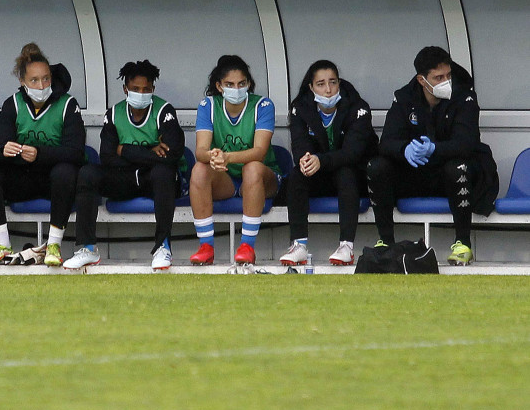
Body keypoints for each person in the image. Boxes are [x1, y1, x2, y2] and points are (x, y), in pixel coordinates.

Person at [366, 46, 498, 265]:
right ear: (421, 80)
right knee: (377, 166)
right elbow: (386, 143)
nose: (446, 81)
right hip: (415, 174)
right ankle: (386, 242)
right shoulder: (403, 98)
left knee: (457, 167)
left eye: (448, 75)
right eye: (438, 77)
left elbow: (467, 143)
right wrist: (404, 150)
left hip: (450, 175)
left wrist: (435, 148)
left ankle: (462, 243)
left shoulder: (464, 97)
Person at [64, 60, 186, 270]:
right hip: (125, 178)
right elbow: (108, 157)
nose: (141, 93)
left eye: (146, 89)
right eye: (135, 89)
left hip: (156, 179)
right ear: (125, 89)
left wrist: (125, 150)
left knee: (163, 172)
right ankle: (89, 248)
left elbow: (172, 154)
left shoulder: (164, 111)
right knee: (88, 173)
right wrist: (149, 151)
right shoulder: (114, 114)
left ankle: (162, 247)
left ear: (153, 90)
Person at [0, 43, 85, 268]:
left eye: (46, 79)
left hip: (53, 181)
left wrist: (40, 154)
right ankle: (3, 245)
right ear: (22, 82)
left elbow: (76, 152)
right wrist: (7, 151)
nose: (41, 85)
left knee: (65, 172)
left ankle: (53, 245)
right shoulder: (13, 104)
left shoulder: (67, 104)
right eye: (34, 80)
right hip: (21, 179)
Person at [279, 60, 378, 266]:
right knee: (298, 174)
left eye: (333, 82)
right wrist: (305, 159)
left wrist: (320, 160)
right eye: (321, 84)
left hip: (354, 177)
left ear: (339, 83)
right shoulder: (300, 108)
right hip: (319, 175)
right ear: (311, 87)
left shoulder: (358, 107)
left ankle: (346, 247)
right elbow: (299, 144)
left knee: (345, 172)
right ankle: (299, 246)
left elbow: (353, 153)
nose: (328, 89)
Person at [189, 55, 281, 266]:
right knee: (199, 170)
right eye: (229, 84)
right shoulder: (208, 105)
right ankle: (206, 247)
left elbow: (259, 151)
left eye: (242, 84)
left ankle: (247, 246)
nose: (236, 89)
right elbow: (200, 151)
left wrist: (227, 157)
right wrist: (213, 156)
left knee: (252, 168)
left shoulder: (263, 105)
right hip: (228, 180)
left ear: (248, 84)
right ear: (219, 86)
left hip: (264, 178)